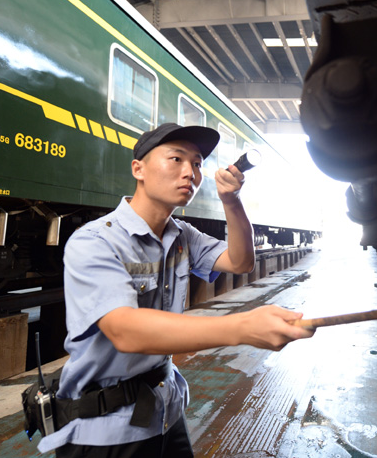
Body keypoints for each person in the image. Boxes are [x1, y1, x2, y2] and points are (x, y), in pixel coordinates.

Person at [36, 123, 314, 457]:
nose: (190, 173)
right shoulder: (95, 241)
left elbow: (240, 262)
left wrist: (232, 201)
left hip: (164, 412)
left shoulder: (181, 234)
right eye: (176, 159)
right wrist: (241, 327)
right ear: (138, 169)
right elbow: (125, 331)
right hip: (105, 431)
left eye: (196, 164)